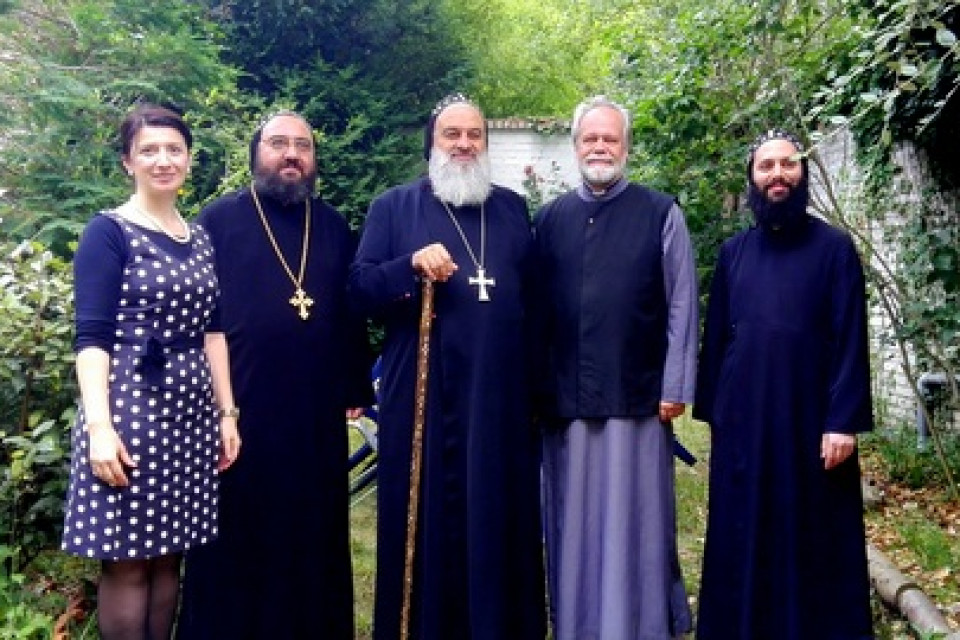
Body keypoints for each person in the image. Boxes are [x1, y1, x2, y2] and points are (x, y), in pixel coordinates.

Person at [349, 94, 546, 640]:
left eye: (474, 135)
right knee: (428, 519)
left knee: (498, 517)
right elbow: (359, 290)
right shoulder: (394, 207)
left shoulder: (510, 209)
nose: (464, 144)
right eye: (451, 134)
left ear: (486, 143)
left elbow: (532, 301)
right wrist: (408, 265)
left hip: (499, 397)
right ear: (432, 142)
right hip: (424, 394)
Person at [176, 111, 373, 639]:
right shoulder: (217, 222)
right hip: (242, 412)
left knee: (311, 536)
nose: (292, 154)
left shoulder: (331, 225)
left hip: (313, 414)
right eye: (279, 144)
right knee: (239, 539)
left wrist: (356, 381)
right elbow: (199, 316)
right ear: (255, 154)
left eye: (302, 146)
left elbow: (348, 307)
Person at [62, 103, 240, 640]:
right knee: (128, 563)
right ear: (128, 161)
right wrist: (100, 429)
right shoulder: (108, 233)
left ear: (188, 158)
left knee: (168, 559)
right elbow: (92, 340)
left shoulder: (200, 236)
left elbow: (214, 333)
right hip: (130, 414)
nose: (163, 160)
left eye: (173, 149)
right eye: (149, 150)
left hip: (190, 416)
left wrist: (226, 415)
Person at [693, 129, 874, 639]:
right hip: (746, 422)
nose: (778, 175)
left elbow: (849, 336)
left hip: (812, 422)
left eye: (787, 165)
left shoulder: (835, 249)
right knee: (743, 531)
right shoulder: (734, 253)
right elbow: (719, 336)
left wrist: (843, 420)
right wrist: (717, 413)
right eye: (766, 166)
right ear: (751, 178)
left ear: (803, 173)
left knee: (812, 532)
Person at [533, 95, 698, 639]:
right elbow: (534, 309)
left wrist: (675, 385)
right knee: (574, 525)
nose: (600, 147)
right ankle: (579, 626)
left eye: (611, 139)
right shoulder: (550, 219)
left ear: (625, 147)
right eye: (590, 138)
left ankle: (639, 625)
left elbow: (681, 303)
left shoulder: (660, 212)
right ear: (576, 144)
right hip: (566, 402)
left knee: (635, 525)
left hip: (639, 397)